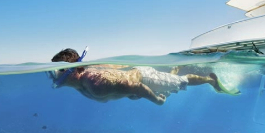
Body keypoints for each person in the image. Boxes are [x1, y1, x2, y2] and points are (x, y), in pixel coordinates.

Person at [47, 48, 239, 105]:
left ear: (71, 70)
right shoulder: (81, 85)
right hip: (133, 87)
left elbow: (137, 86)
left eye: (56, 70)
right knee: (169, 86)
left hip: (144, 79)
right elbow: (127, 89)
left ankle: (210, 79)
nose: (52, 75)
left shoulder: (95, 81)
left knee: (180, 83)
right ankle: (172, 71)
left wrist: (156, 101)